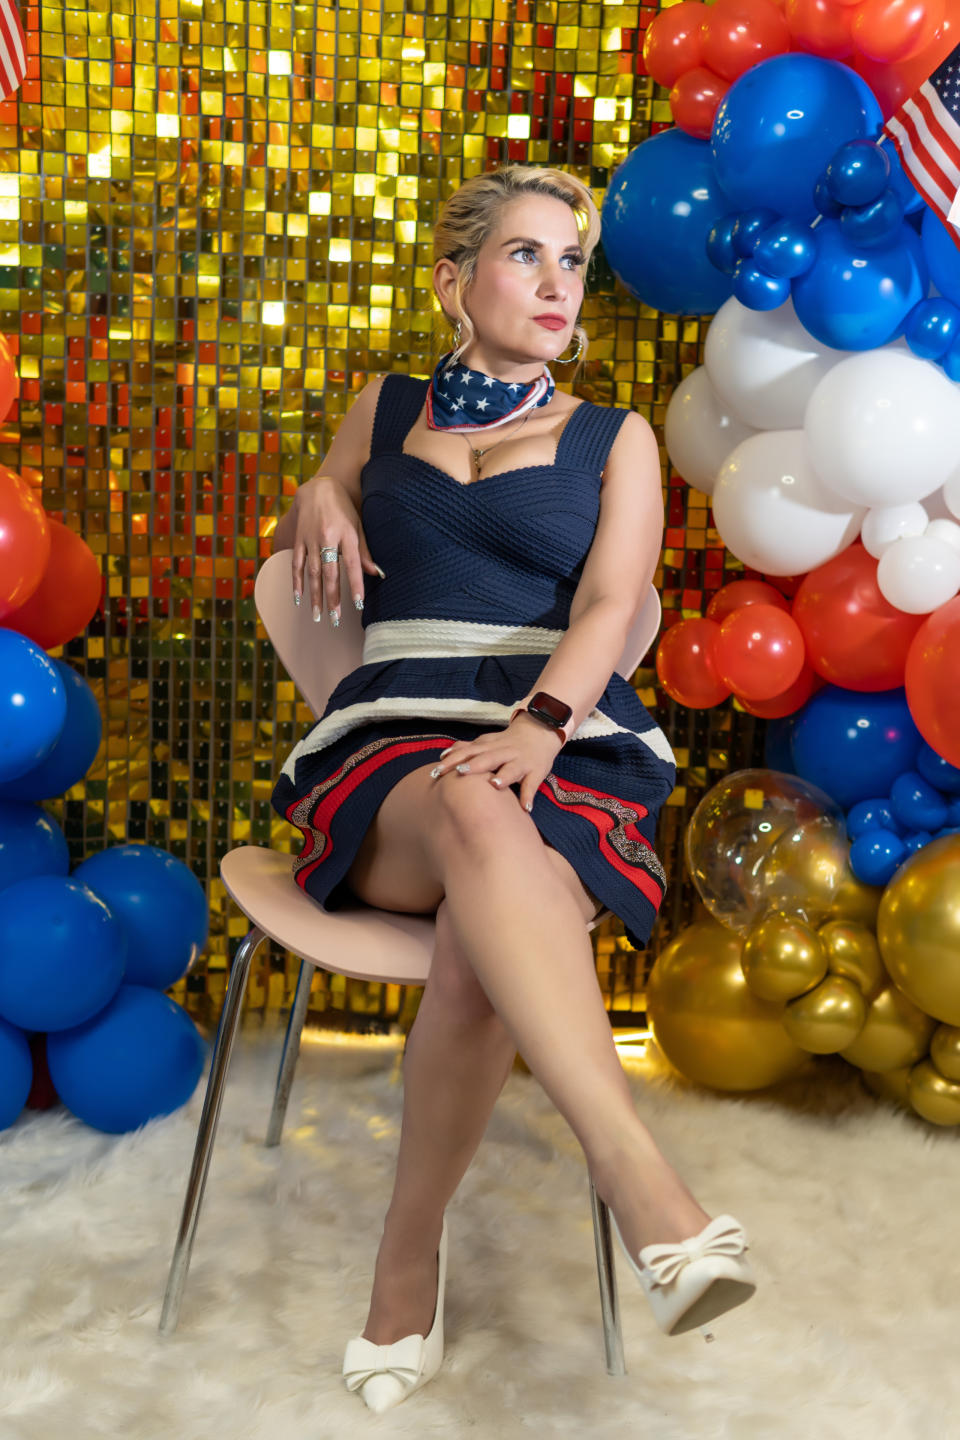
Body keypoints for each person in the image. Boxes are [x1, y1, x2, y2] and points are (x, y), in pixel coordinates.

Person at [271, 165, 756, 1413]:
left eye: (572, 261)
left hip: (562, 743)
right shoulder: (384, 408)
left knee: (480, 915)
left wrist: (542, 725)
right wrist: (320, 486)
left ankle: (405, 1260)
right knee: (470, 805)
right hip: (388, 754)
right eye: (526, 255)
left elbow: (610, 607)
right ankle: (646, 1191)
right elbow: (306, 539)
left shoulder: (617, 438)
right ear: (455, 282)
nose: (557, 283)